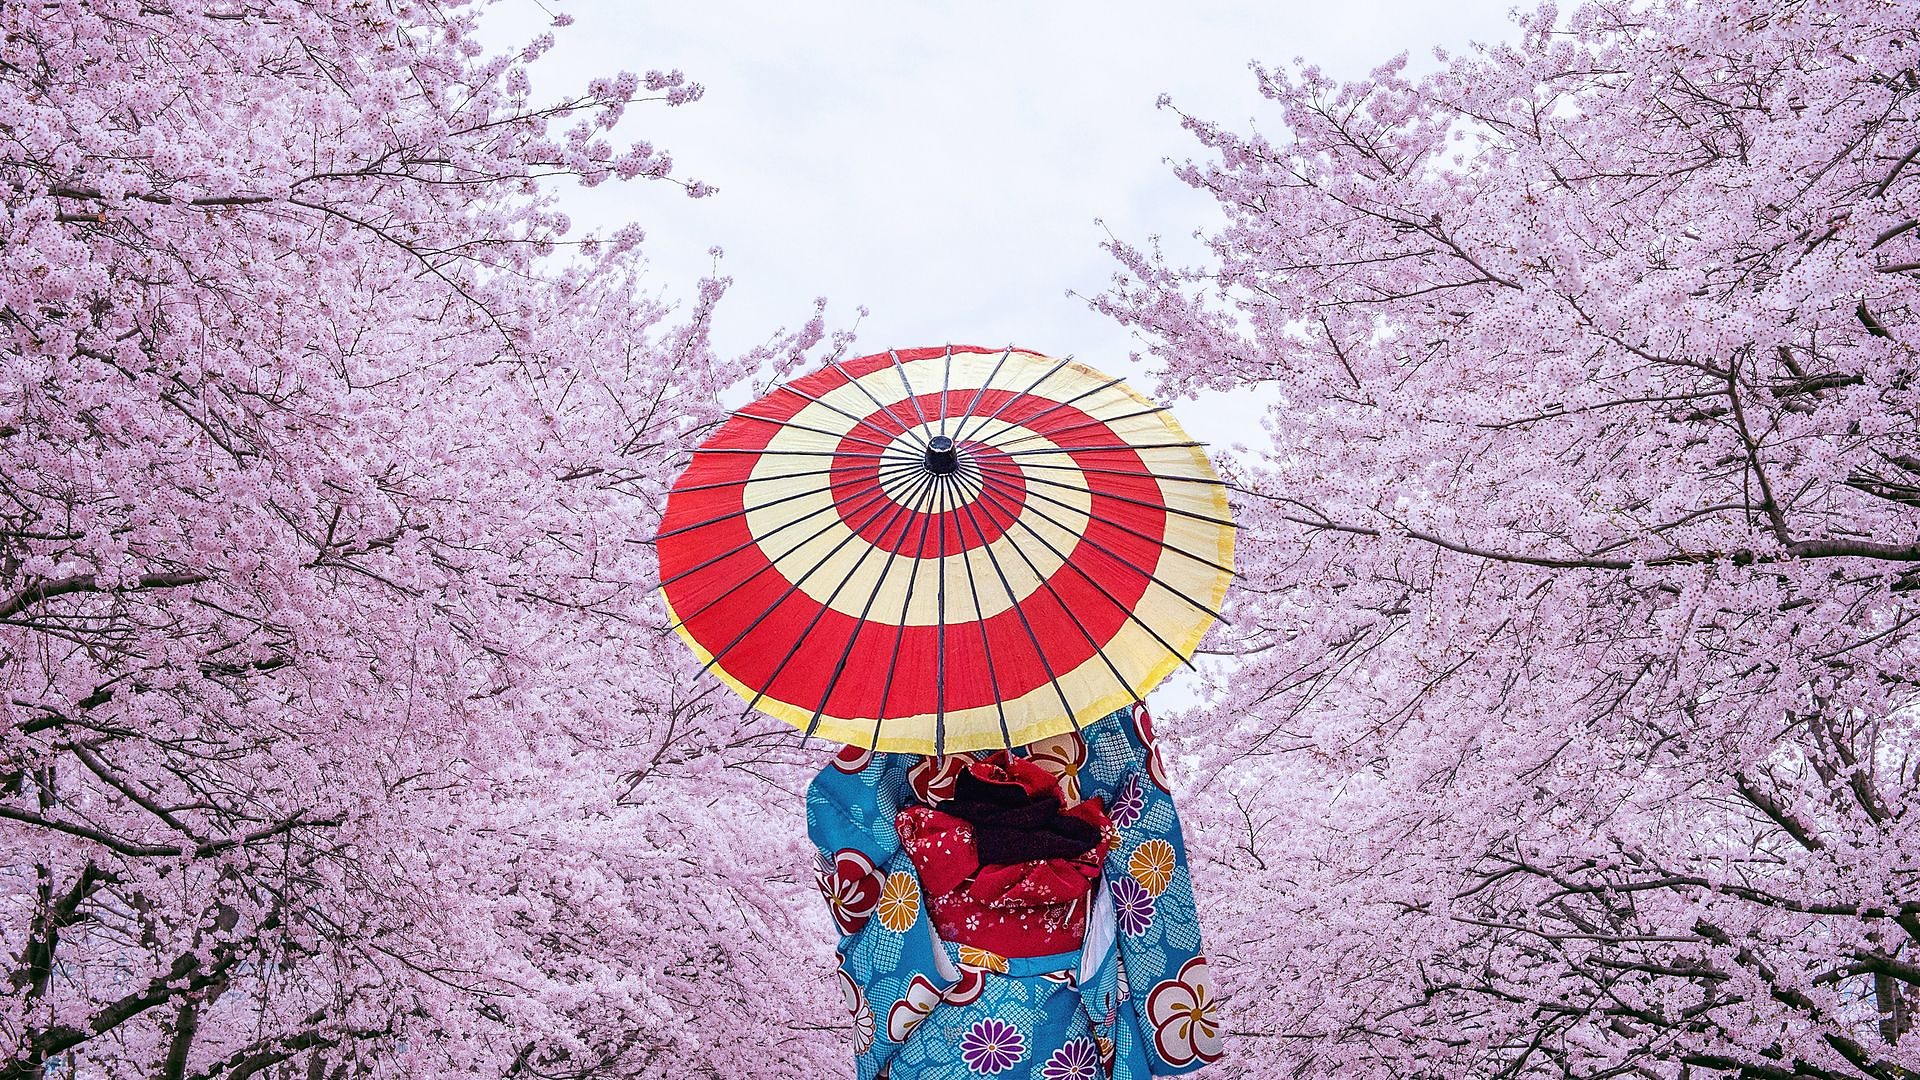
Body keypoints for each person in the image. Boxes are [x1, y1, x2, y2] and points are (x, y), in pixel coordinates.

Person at [807, 701, 1223, 1079]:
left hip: (942, 988)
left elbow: (842, 832)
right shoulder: (1099, 692)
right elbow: (1146, 851)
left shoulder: (902, 705)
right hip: (1071, 983)